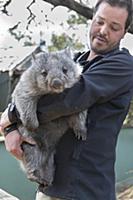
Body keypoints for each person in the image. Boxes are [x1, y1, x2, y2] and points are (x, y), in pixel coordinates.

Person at [0, 0, 133, 199]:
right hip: (49, 184)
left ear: (124, 32)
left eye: (114, 27)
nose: (103, 30)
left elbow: (68, 99)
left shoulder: (122, 65)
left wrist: (10, 115)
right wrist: (10, 128)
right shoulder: (73, 61)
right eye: (99, 22)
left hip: (84, 189)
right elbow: (29, 84)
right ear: (92, 20)